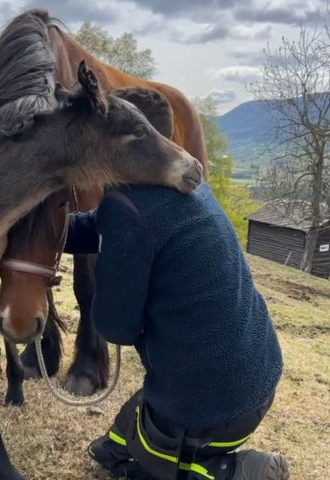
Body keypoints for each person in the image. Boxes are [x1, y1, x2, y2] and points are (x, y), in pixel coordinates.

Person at [64, 181, 289, 480]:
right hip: (259, 378)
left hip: (215, 407)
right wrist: (53, 231)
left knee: (142, 471)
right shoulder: (185, 182)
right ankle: (138, 446)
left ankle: (233, 471)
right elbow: (104, 224)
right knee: (114, 446)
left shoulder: (124, 208)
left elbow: (115, 327)